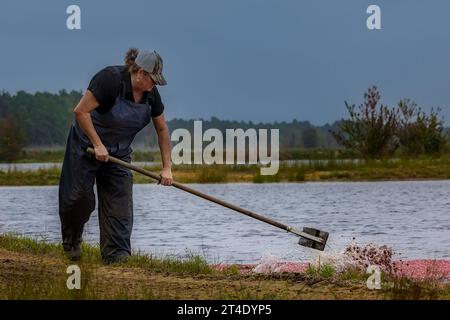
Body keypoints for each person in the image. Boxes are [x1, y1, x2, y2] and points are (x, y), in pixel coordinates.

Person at [59, 48, 173, 263]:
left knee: (120, 205)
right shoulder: (109, 80)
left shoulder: (151, 96)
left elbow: (162, 129)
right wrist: (97, 144)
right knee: (78, 199)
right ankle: (72, 241)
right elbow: (80, 111)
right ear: (140, 73)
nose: (155, 85)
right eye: (153, 80)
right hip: (86, 147)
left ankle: (116, 256)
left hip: (119, 154)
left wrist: (167, 167)